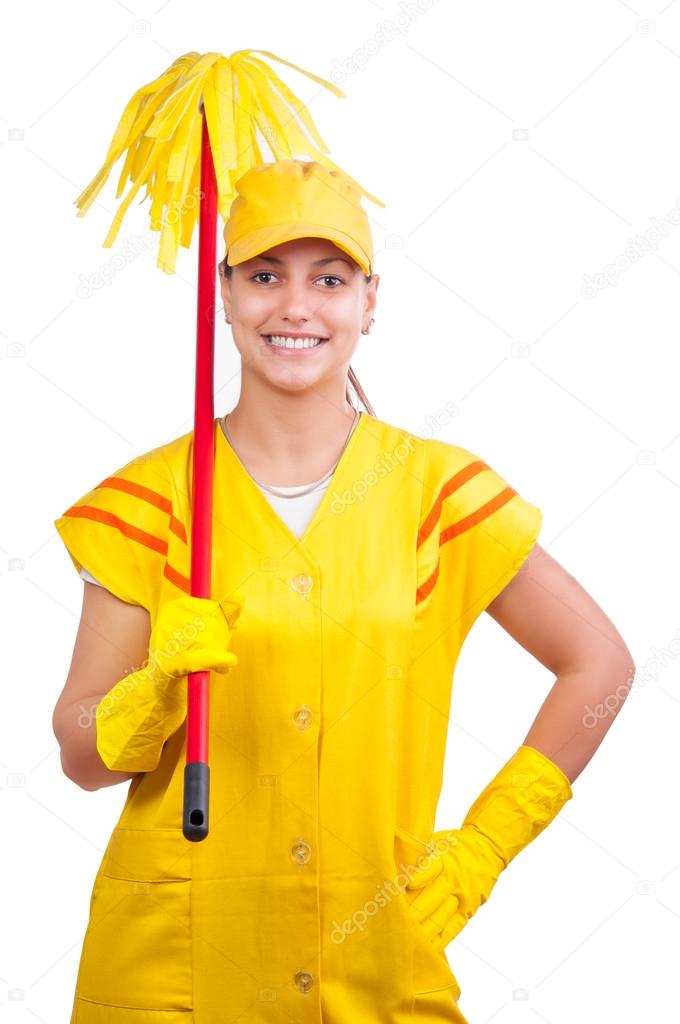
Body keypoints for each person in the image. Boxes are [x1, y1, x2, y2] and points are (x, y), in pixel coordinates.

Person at [52, 159, 634, 1023]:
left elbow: (601, 666)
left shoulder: (436, 492)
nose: (295, 305)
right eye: (264, 275)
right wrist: (153, 694)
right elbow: (78, 756)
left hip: (376, 960)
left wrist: (485, 846)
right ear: (223, 293)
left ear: (369, 300)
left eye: (329, 278)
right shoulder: (151, 502)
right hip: (173, 975)